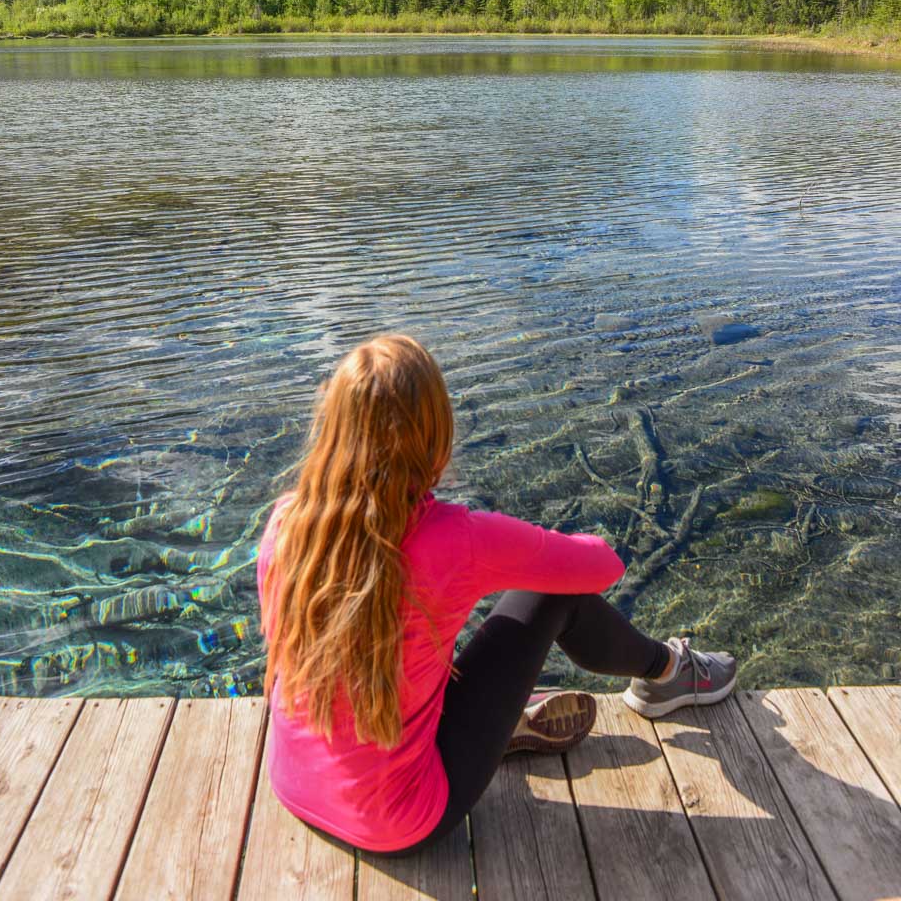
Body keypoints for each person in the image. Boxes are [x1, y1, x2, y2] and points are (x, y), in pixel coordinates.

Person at [257, 334, 736, 855]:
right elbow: (601, 568)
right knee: (554, 596)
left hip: (293, 785)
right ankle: (667, 673)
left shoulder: (286, 522)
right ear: (436, 436)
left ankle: (497, 719)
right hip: (399, 821)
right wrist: (528, 546)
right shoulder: (453, 537)